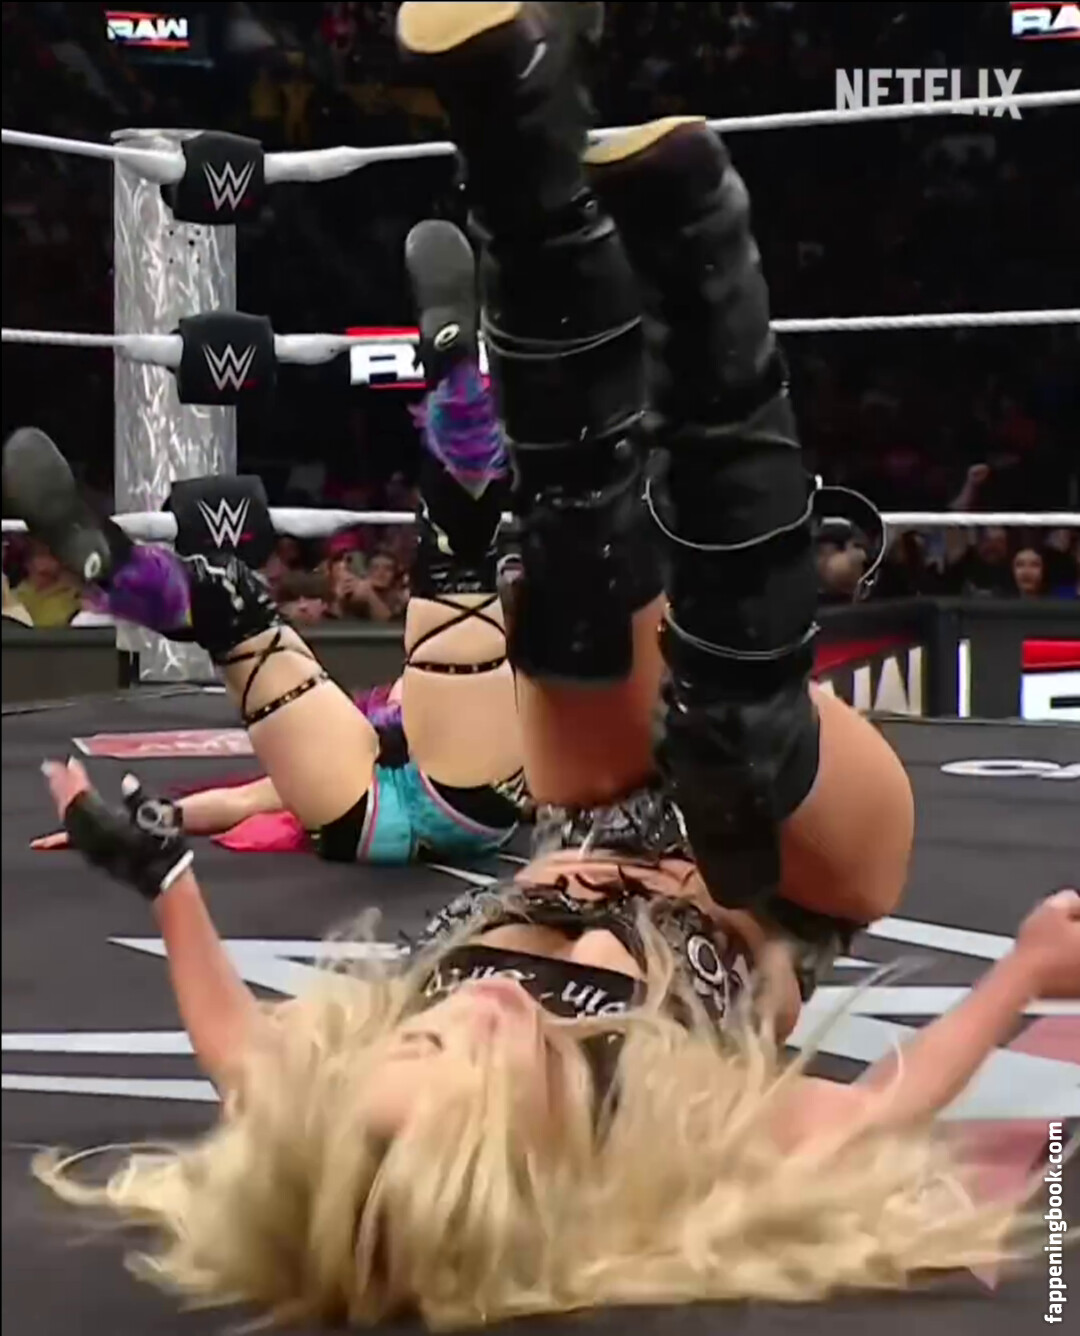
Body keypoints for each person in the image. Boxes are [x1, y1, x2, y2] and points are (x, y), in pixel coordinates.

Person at [23, 2, 1063, 1325]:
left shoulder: (340, 1123)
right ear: (532, 1172)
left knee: (567, 597)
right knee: (732, 732)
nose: (479, 1016)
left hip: (593, 800)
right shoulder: (648, 1143)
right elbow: (871, 1117)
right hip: (793, 868)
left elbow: (240, 1049)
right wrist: (1026, 974)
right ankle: (697, 277)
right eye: (480, 1070)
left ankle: (529, 175)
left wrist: (164, 876)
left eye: (425, 1030)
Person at [8, 219, 526, 867]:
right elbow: (256, 796)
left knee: (259, 609)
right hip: (426, 800)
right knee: (440, 561)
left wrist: (143, 821)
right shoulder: (504, 690)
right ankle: (455, 374)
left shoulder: (524, 691)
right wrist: (146, 820)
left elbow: (262, 795)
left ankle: (110, 563)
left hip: (369, 815)